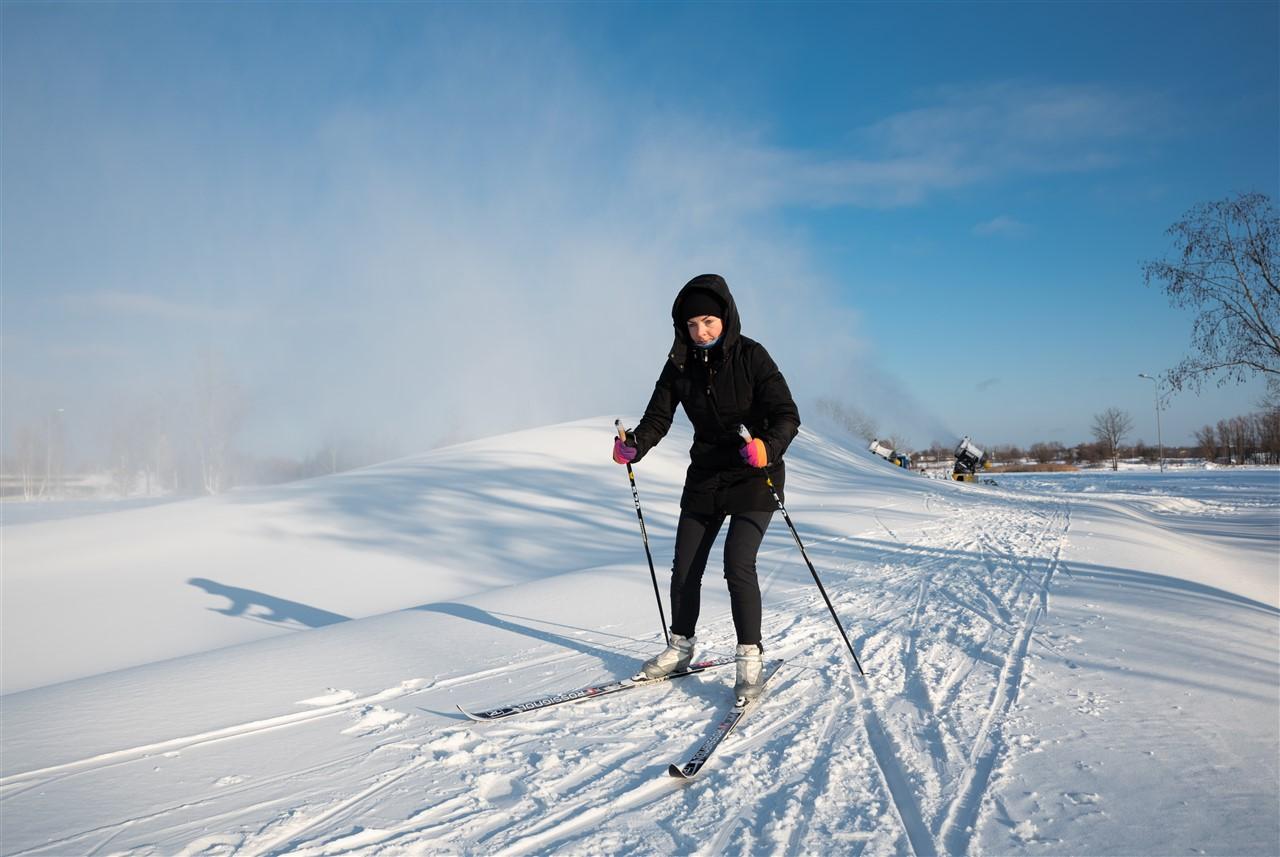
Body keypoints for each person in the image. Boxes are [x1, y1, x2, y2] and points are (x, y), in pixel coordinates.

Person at [612, 274, 800, 702]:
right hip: (706, 476)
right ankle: (680, 648)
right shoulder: (679, 364)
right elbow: (658, 417)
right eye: (692, 324)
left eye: (709, 321)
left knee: (738, 564)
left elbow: (787, 414)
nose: (701, 332)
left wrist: (767, 448)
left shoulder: (753, 356)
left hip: (755, 474)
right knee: (686, 566)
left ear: (726, 316)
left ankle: (750, 658)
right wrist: (634, 446)